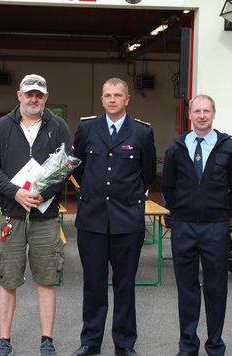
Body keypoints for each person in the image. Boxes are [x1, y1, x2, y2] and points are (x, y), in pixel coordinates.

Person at [0, 74, 71, 356]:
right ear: (18, 95)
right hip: (10, 215)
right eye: (29, 93)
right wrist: (15, 192)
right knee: (7, 281)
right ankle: (4, 341)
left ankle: (47, 340)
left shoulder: (58, 126)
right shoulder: (0, 126)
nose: (34, 98)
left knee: (46, 279)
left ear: (46, 97)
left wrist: (43, 195)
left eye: (39, 95)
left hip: (45, 218)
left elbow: (66, 167)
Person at [71, 78, 156, 356]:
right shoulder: (86, 127)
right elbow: (79, 168)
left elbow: (147, 174)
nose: (112, 100)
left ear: (127, 99)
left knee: (125, 284)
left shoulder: (142, 132)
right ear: (102, 98)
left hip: (127, 220)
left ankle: (124, 342)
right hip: (92, 218)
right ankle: (91, 341)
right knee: (93, 283)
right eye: (107, 95)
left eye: (118, 95)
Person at [161, 94, 232, 356]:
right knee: (186, 288)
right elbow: (168, 187)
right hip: (184, 227)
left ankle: (215, 345)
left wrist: (220, 214)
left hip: (215, 227)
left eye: (206, 111)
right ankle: (188, 345)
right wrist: (181, 212)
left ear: (214, 113)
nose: (201, 115)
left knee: (216, 288)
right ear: (190, 114)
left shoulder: (229, 147)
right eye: (197, 111)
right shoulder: (176, 147)